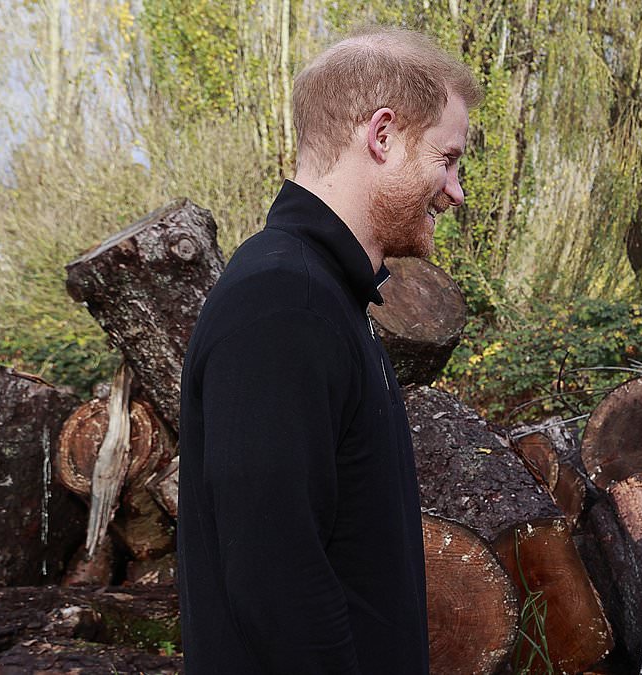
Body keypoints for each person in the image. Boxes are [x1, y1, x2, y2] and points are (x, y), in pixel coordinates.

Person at [177, 27, 481, 674]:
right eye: (448, 158)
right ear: (383, 135)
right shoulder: (283, 301)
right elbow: (275, 582)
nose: (456, 190)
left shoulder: (326, 295)